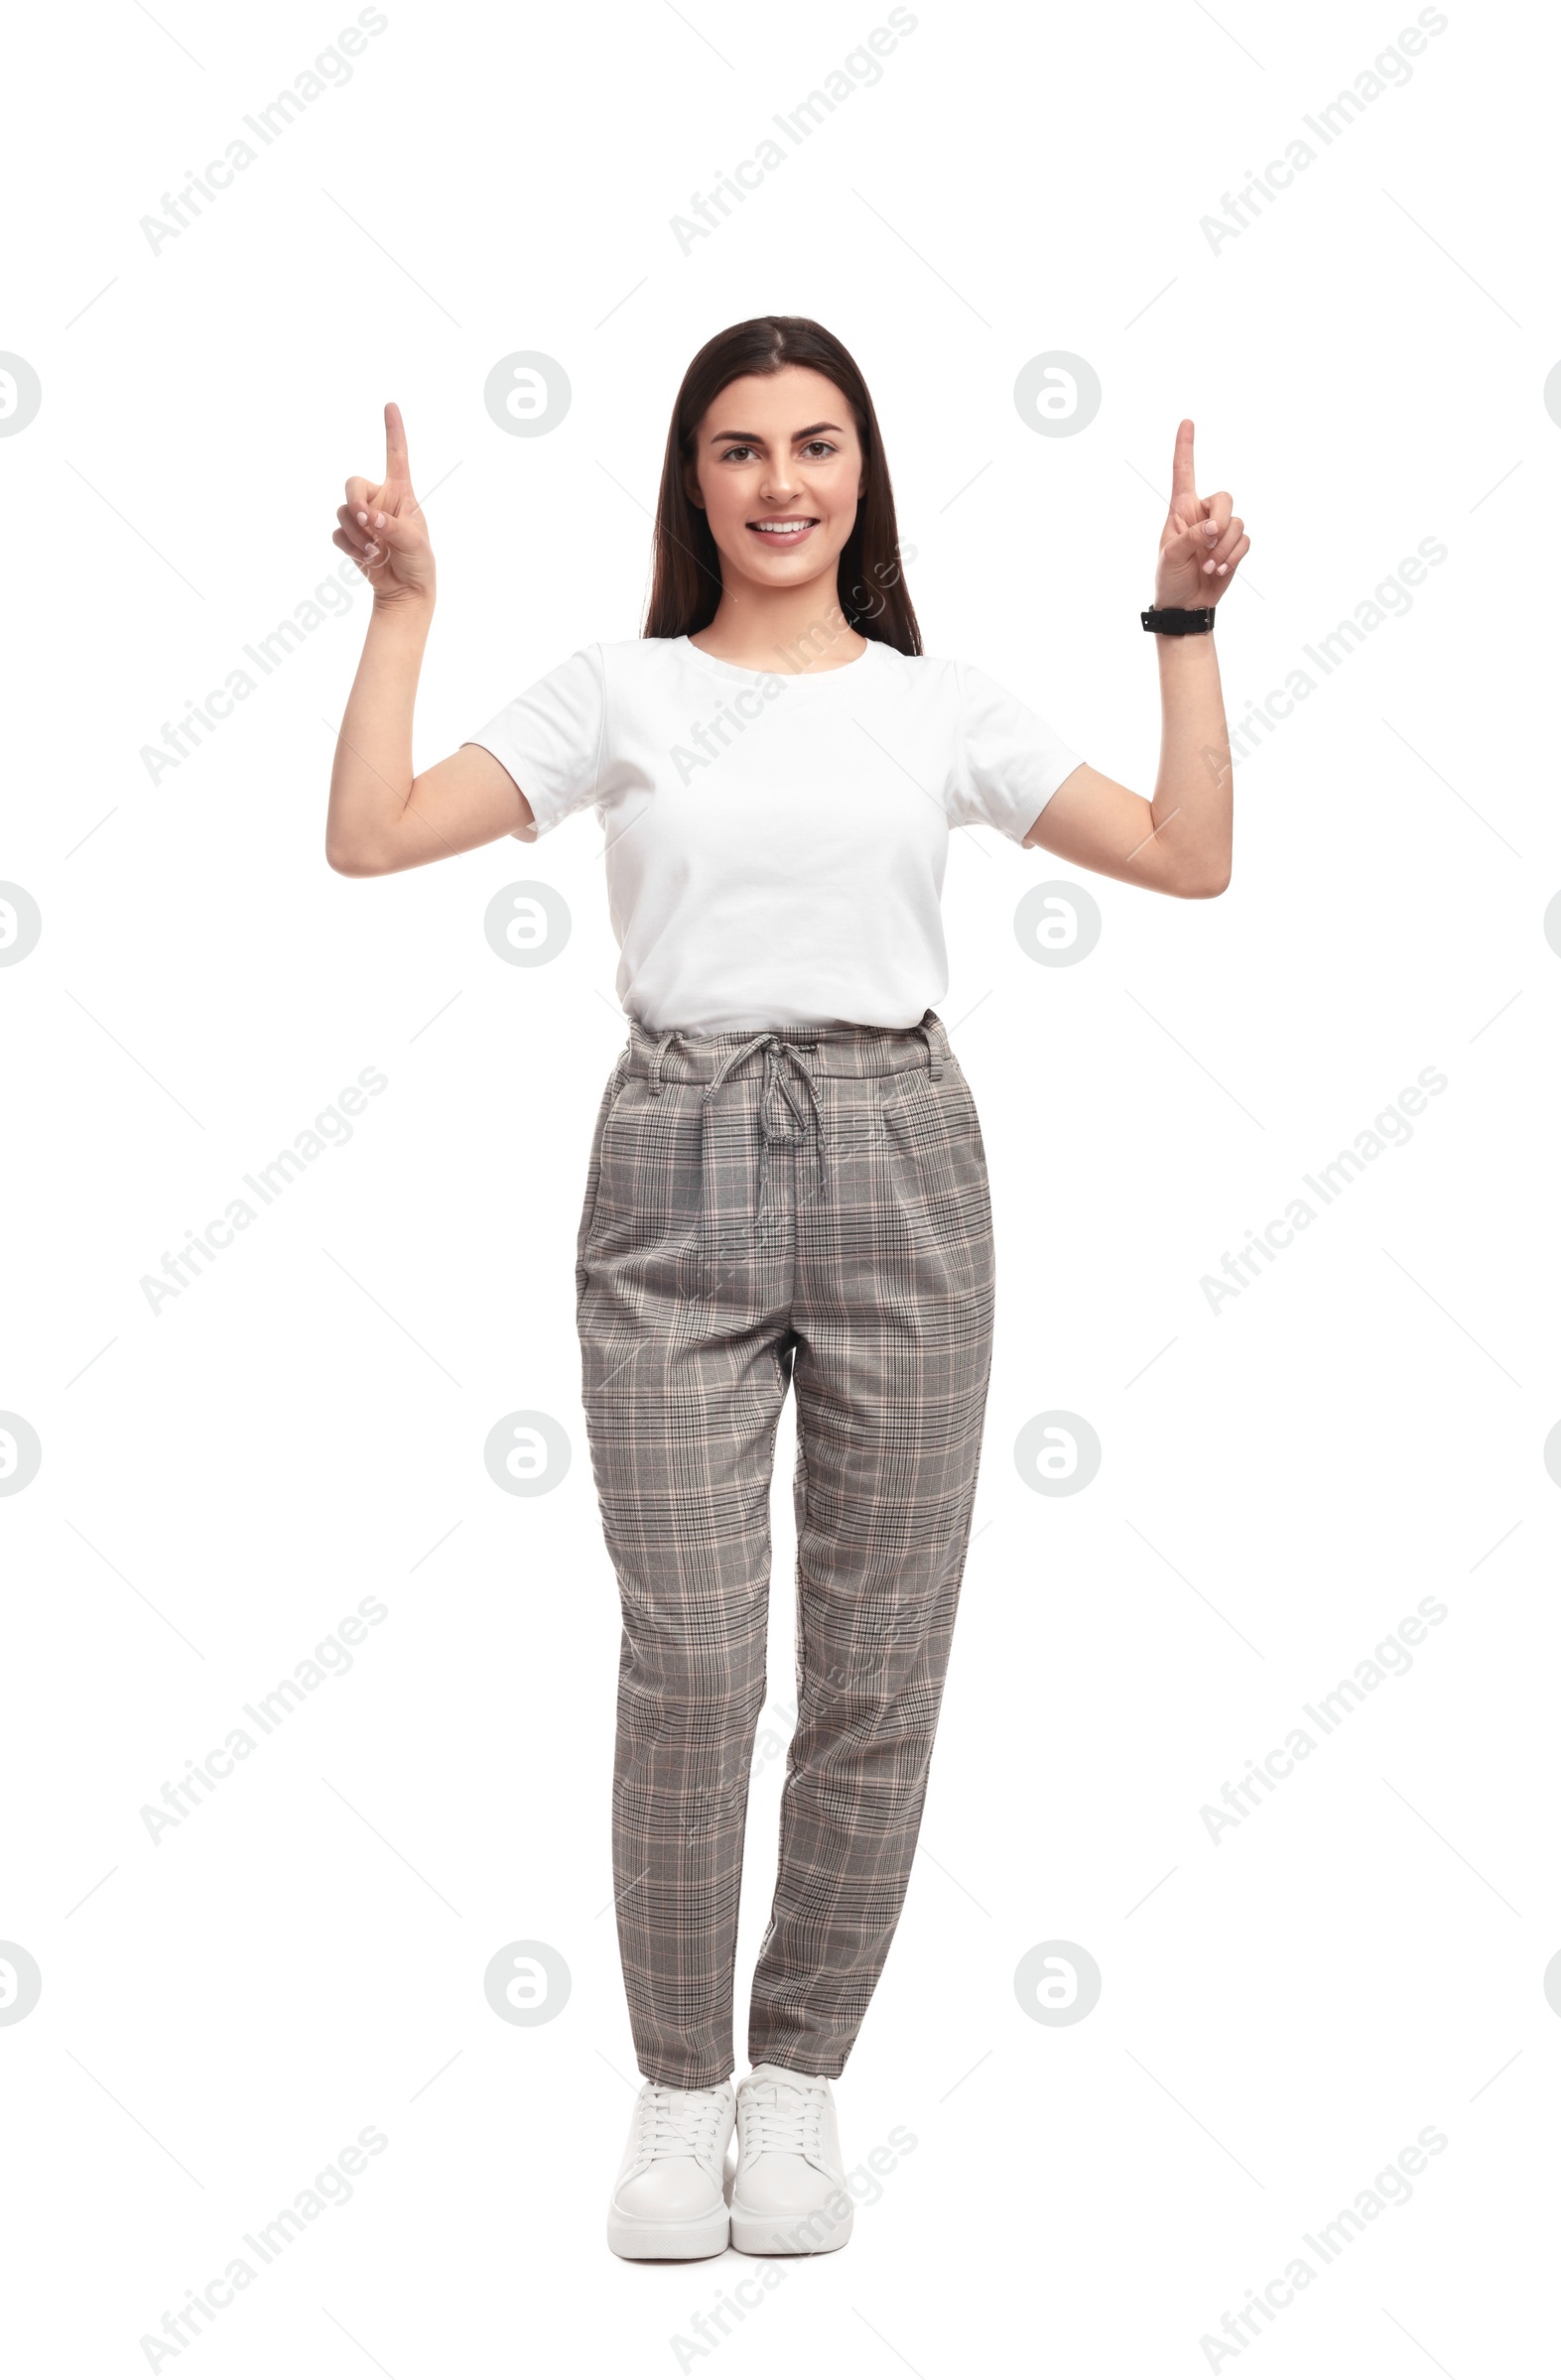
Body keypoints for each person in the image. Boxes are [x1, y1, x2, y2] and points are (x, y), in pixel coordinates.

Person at [324, 314, 1245, 2263]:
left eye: (814, 445)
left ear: (861, 473)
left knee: (876, 1660)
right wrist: (406, 608)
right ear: (693, 482)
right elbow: (371, 832)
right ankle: (674, 2096)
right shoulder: (621, 689)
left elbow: (1185, 856)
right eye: (738, 450)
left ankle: (797, 2087)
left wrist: (1179, 627)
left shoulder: (938, 706)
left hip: (900, 1148)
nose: (779, 484)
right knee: (694, 1653)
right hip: (673, 1155)